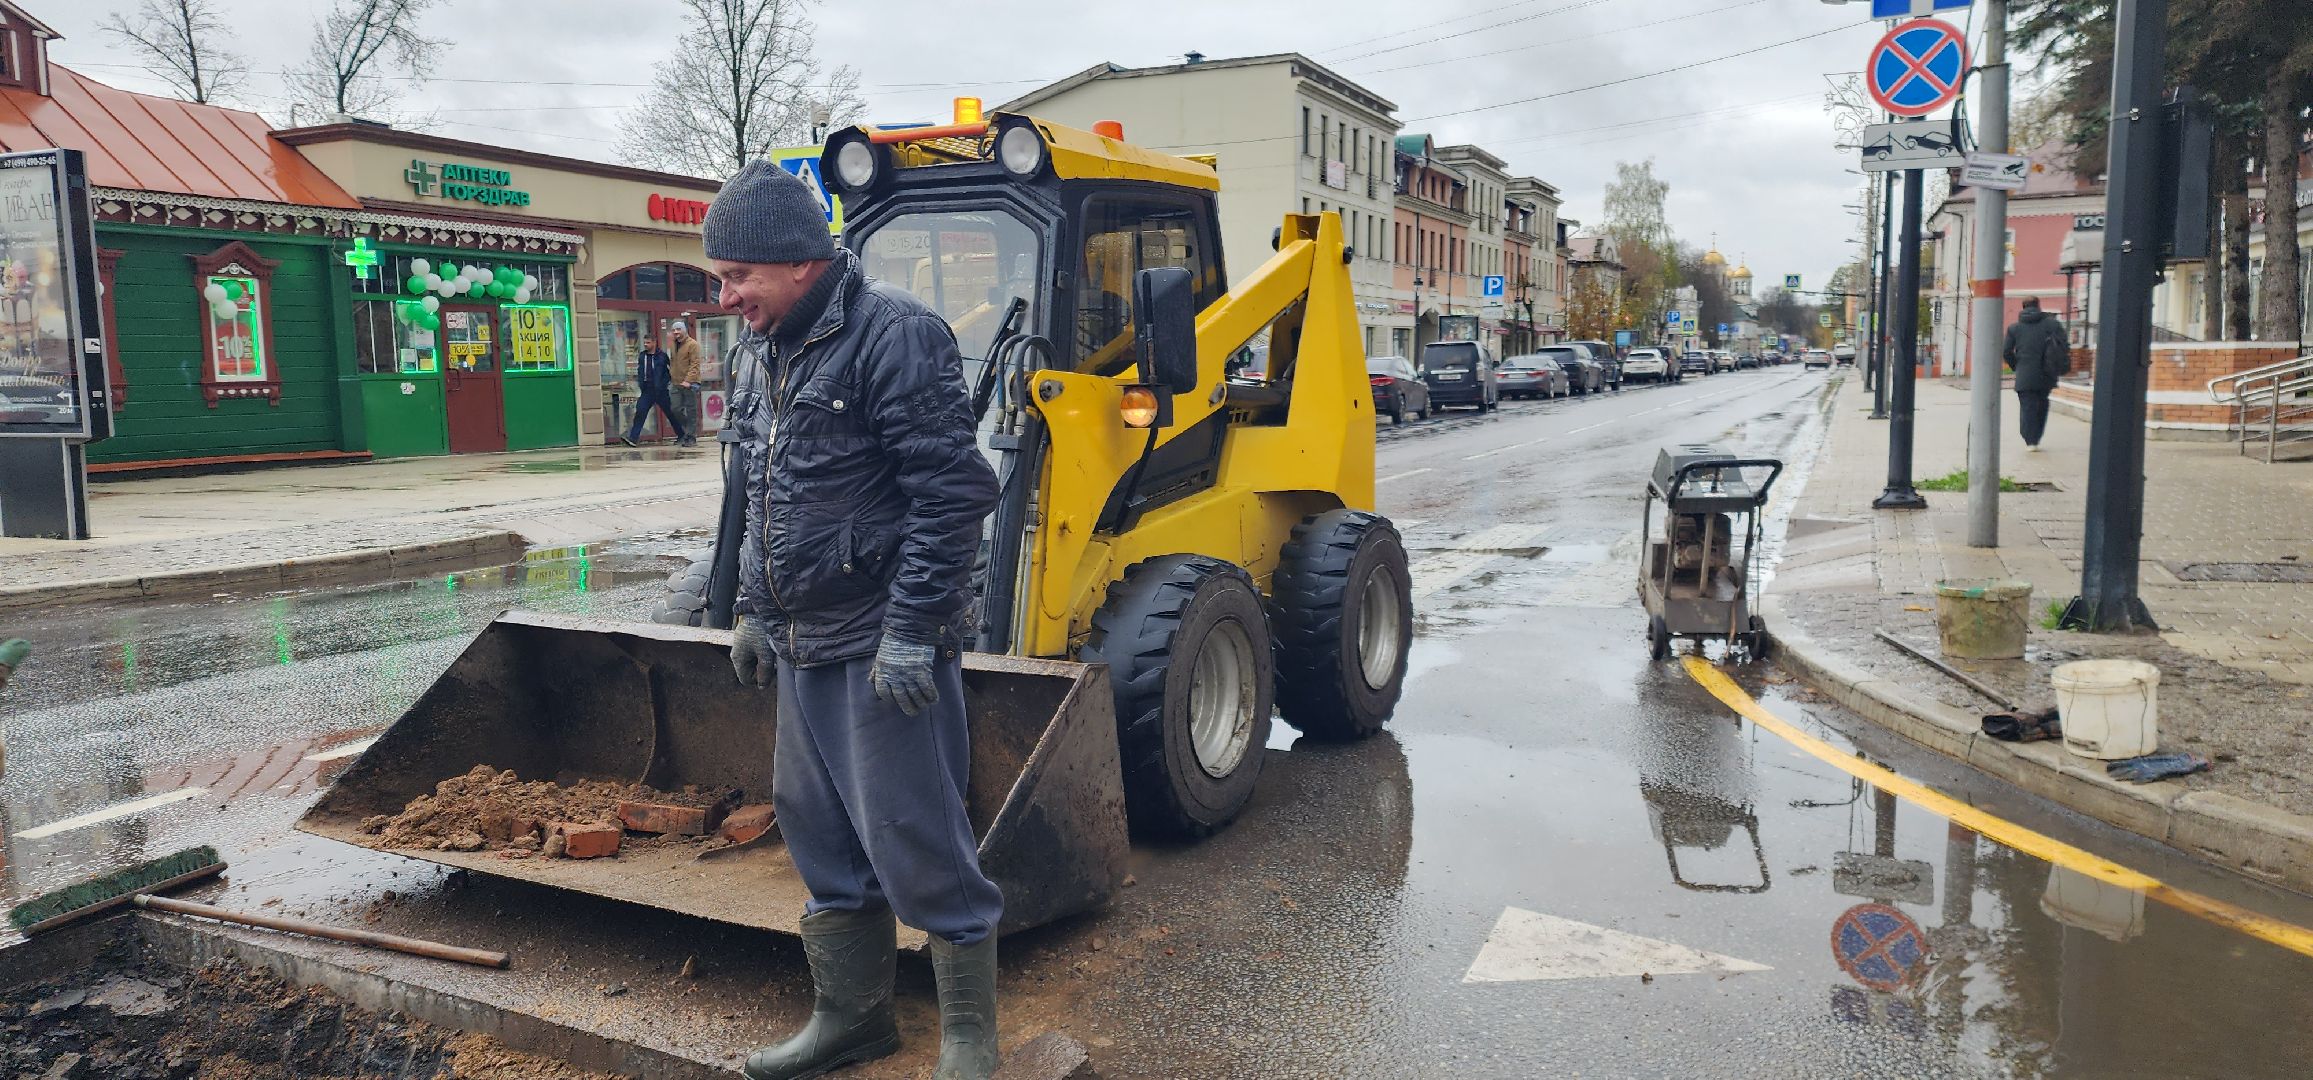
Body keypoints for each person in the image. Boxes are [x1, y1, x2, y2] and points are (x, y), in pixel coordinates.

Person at [707, 160, 1004, 1080]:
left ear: (799, 263)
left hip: (883, 640)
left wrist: (914, 627)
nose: (726, 298)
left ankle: (968, 1041)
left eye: (738, 277)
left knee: (917, 839)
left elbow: (951, 496)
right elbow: (759, 491)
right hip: (802, 640)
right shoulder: (760, 351)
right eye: (721, 277)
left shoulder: (896, 336)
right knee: (821, 837)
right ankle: (854, 1020)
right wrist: (755, 607)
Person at [2002, 297, 2071, 452]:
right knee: (2042, 404)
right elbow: (2064, 345)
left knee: (2027, 407)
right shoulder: (2052, 324)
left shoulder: (2014, 328)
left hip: (2024, 375)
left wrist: (2017, 366)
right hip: (2047, 373)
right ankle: (2036, 437)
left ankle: (2030, 440)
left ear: (2023, 307)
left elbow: (2006, 352)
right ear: (2038, 306)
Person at [620, 333, 687, 447]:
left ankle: (682, 435)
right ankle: (633, 438)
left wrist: (665, 383)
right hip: (647, 390)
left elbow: (669, 370)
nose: (646, 345)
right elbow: (641, 371)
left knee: (670, 413)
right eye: (645, 342)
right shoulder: (642, 356)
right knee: (640, 411)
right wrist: (641, 383)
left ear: (654, 342)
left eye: (648, 342)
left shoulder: (662, 356)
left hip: (661, 390)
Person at [668, 319, 704, 447]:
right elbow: (672, 362)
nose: (676, 332)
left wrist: (688, 380)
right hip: (676, 382)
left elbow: (695, 364)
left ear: (684, 330)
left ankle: (691, 437)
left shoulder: (692, 344)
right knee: (675, 409)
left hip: (689, 383)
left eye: (678, 329)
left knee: (691, 410)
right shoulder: (672, 344)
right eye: (673, 330)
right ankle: (688, 431)